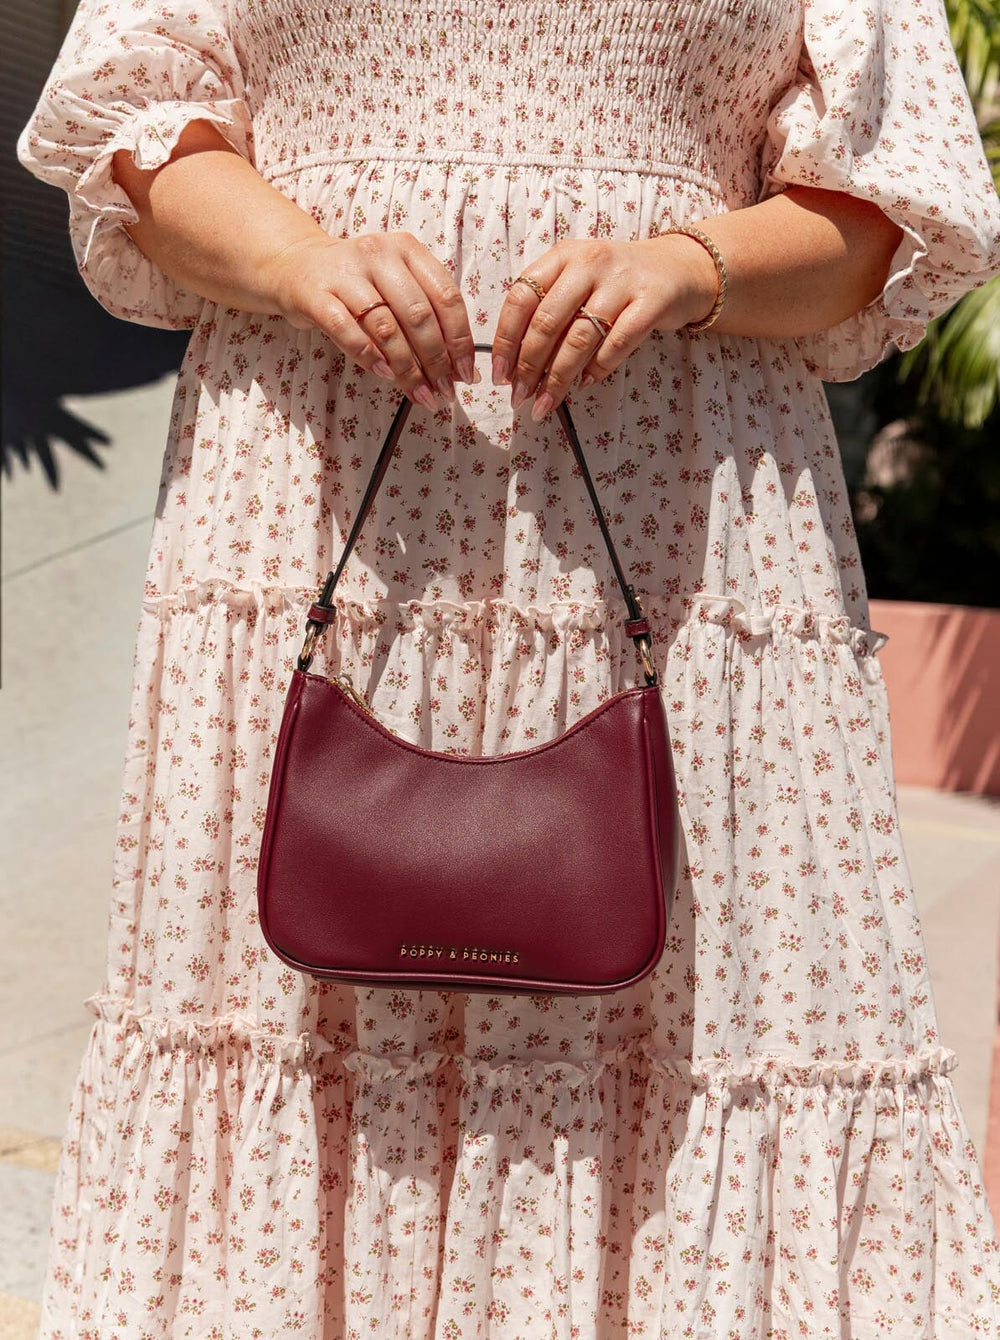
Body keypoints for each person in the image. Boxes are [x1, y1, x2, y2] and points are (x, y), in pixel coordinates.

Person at [16, 0, 1000, 1334]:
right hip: (317, 509)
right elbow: (140, 132)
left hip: (682, 529)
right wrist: (297, 256)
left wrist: (692, 265)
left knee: (697, 1021)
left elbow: (884, 228)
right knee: (296, 1002)